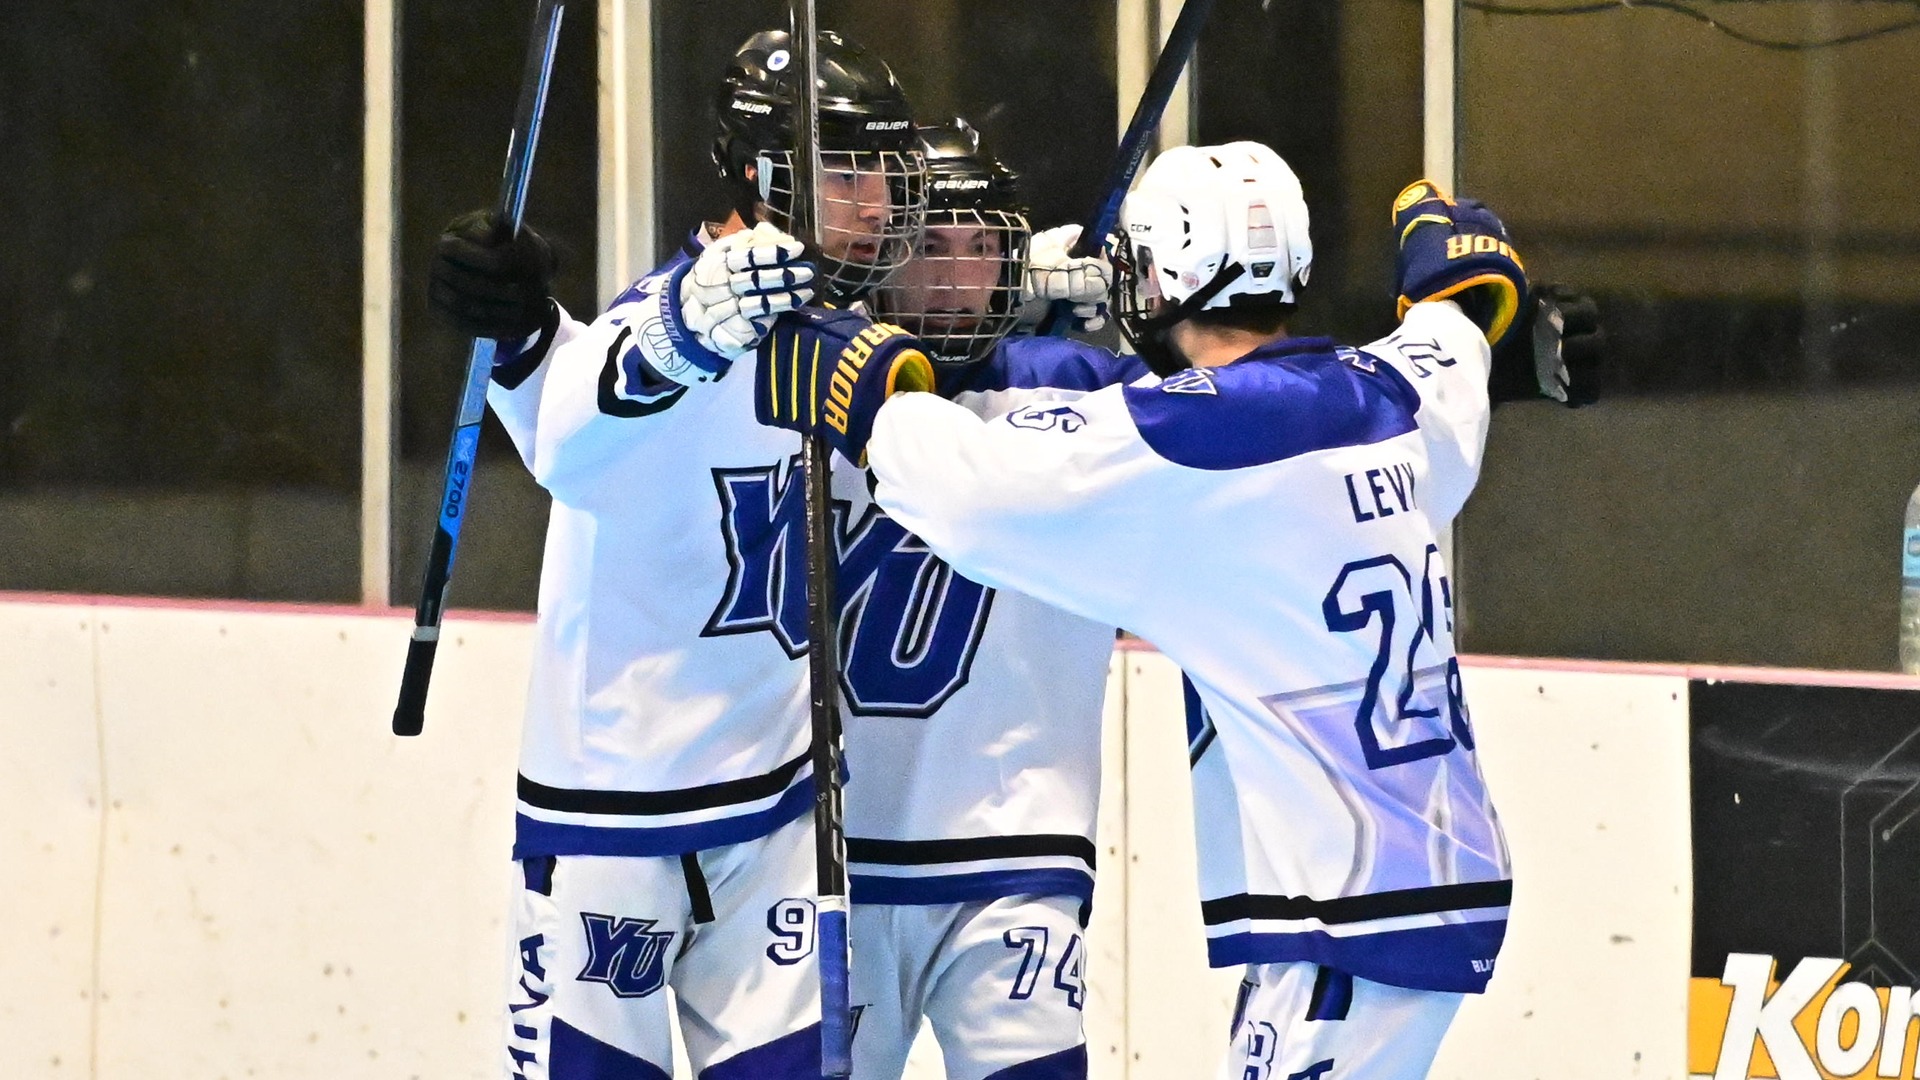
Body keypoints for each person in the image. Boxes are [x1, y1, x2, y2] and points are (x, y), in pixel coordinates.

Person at [749, 140, 1533, 1079]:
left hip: (1351, 900)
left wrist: (880, 394)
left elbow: (976, 493)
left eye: (1141, 267)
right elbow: (1448, 345)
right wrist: (1457, 294)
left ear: (1169, 276)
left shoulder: (1194, 440)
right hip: (1416, 874)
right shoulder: (1394, 391)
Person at [426, 28, 923, 1080]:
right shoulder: (668, 314)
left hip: (779, 811)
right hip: (608, 820)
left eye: (882, 166)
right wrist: (645, 333)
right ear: (757, 171)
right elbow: (571, 430)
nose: (876, 200)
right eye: (844, 168)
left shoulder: (862, 326)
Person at [843, 119, 1138, 1080]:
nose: (959, 279)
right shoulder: (811, 386)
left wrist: (1157, 303)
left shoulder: (1087, 392)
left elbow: (1241, 417)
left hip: (1019, 852)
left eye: (985, 252)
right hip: (832, 862)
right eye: (931, 246)